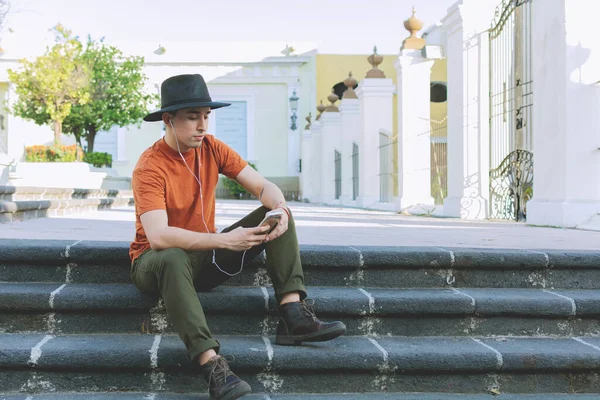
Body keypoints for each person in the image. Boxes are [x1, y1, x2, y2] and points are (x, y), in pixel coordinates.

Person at [129, 74, 346, 400]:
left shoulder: (212, 148)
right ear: (168, 120)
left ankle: (292, 314)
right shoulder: (150, 166)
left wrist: (281, 208)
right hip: (156, 264)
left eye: (206, 115)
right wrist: (224, 240)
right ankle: (211, 364)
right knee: (173, 256)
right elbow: (159, 236)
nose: (202, 125)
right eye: (192, 117)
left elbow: (263, 187)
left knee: (273, 216)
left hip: (203, 257)